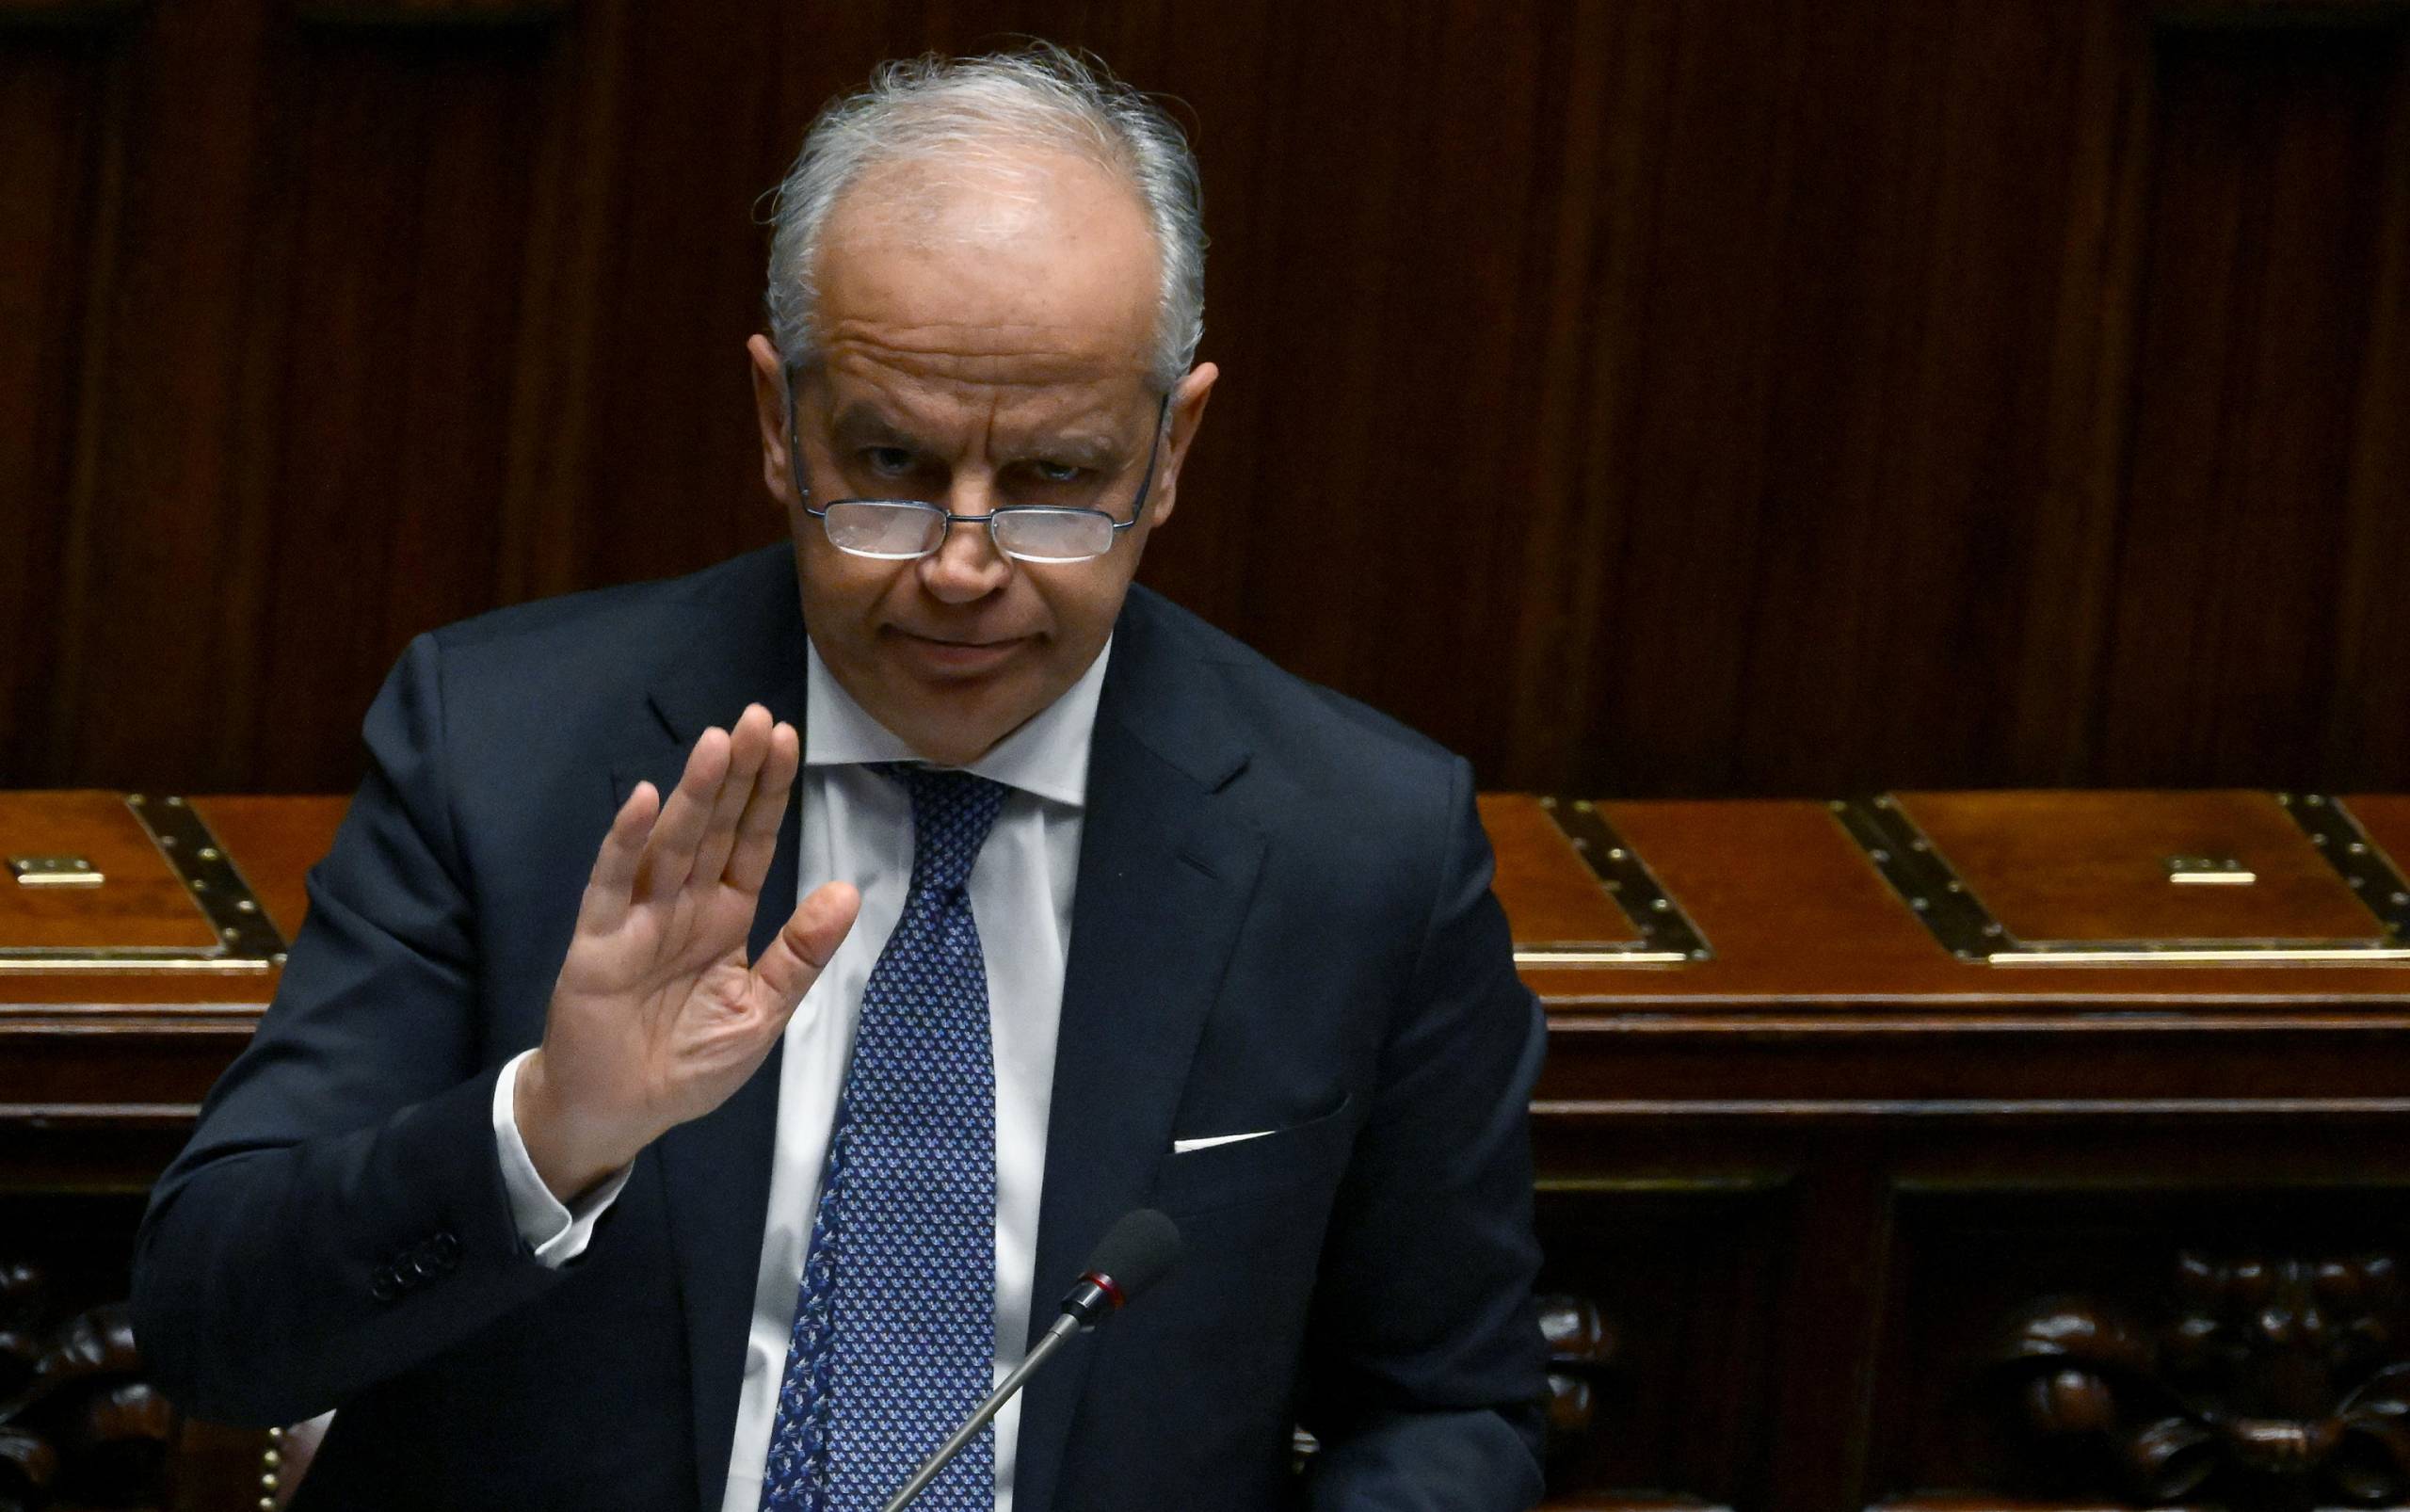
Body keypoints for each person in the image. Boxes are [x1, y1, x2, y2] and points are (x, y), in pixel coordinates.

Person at [133, 43, 1548, 1512]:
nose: (962, 564)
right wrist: (554, 1128)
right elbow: (208, 1326)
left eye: (1059, 477)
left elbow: (1447, 1413)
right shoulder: (502, 753)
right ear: (776, 420)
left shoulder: (1361, 839)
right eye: (890, 460)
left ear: (1172, 445)